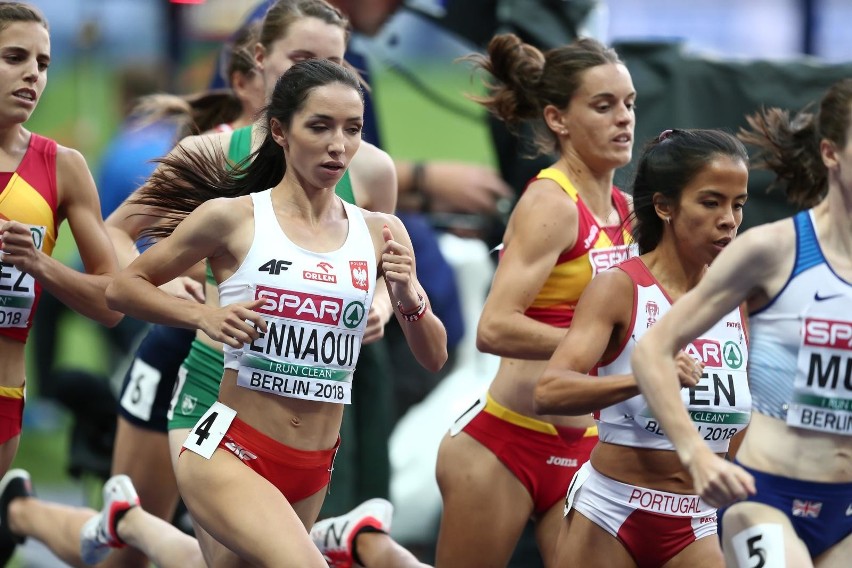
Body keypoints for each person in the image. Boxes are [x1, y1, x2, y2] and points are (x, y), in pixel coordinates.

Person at [104, 57, 447, 567]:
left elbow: (433, 356)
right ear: (280, 133)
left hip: (311, 463)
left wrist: (405, 295)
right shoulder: (232, 218)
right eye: (320, 126)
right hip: (226, 447)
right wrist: (202, 318)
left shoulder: (380, 231)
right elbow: (122, 289)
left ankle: (131, 523)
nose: (339, 145)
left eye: (352, 129)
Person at [433, 33, 635, 567]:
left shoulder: (629, 214)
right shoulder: (551, 203)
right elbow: (494, 328)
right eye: (604, 105)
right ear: (557, 119)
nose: (623, 119)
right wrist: (595, 345)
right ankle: (371, 549)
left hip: (588, 446)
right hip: (504, 444)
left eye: (629, 104)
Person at [631, 80, 852, 567]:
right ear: (831, 153)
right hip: (764, 498)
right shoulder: (774, 250)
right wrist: (696, 455)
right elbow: (652, 350)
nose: (728, 217)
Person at [534, 128, 751, 568]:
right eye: (711, 202)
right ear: (665, 206)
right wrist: (644, 378)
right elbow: (550, 391)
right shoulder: (619, 287)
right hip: (612, 514)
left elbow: (742, 416)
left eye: (738, 204)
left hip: (696, 521)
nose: (729, 219)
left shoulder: (737, 296)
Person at [0, 1, 121, 484]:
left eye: (43, 63)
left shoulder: (62, 166)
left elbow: (112, 302)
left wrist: (38, 264)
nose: (32, 74)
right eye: (14, 57)